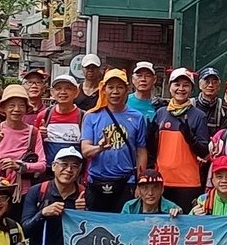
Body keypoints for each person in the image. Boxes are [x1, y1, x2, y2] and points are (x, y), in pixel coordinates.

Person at [81, 68, 148, 212]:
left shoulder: (137, 117)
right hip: (96, 181)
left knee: (124, 225)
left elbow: (141, 151)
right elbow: (85, 151)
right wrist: (99, 148)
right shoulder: (91, 116)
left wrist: (139, 183)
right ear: (103, 89)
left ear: (127, 90)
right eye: (110, 87)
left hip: (126, 182)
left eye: (120, 87)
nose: (115, 92)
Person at [0, 84, 47, 218]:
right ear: (3, 108)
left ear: (26, 109)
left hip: (22, 192)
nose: (16, 109)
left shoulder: (33, 132)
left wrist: (20, 165)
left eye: (21, 105)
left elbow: (42, 165)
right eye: (11, 105)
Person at [148, 68, 209, 212]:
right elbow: (153, 150)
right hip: (163, 181)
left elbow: (204, 151)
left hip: (188, 183)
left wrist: (190, 138)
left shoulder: (198, 116)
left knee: (184, 227)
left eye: (185, 85)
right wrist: (149, 136)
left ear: (191, 89)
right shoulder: (161, 113)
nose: (181, 89)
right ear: (170, 87)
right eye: (177, 84)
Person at [35, 74, 84, 163]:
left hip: (74, 171)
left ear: (76, 92)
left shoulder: (84, 116)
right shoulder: (44, 115)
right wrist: (39, 136)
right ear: (52, 93)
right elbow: (34, 144)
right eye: (58, 88)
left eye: (68, 88)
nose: (63, 92)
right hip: (48, 170)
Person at [195, 66, 226, 137]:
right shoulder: (190, 105)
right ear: (200, 85)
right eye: (207, 82)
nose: (210, 85)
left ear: (219, 86)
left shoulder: (224, 108)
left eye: (214, 82)